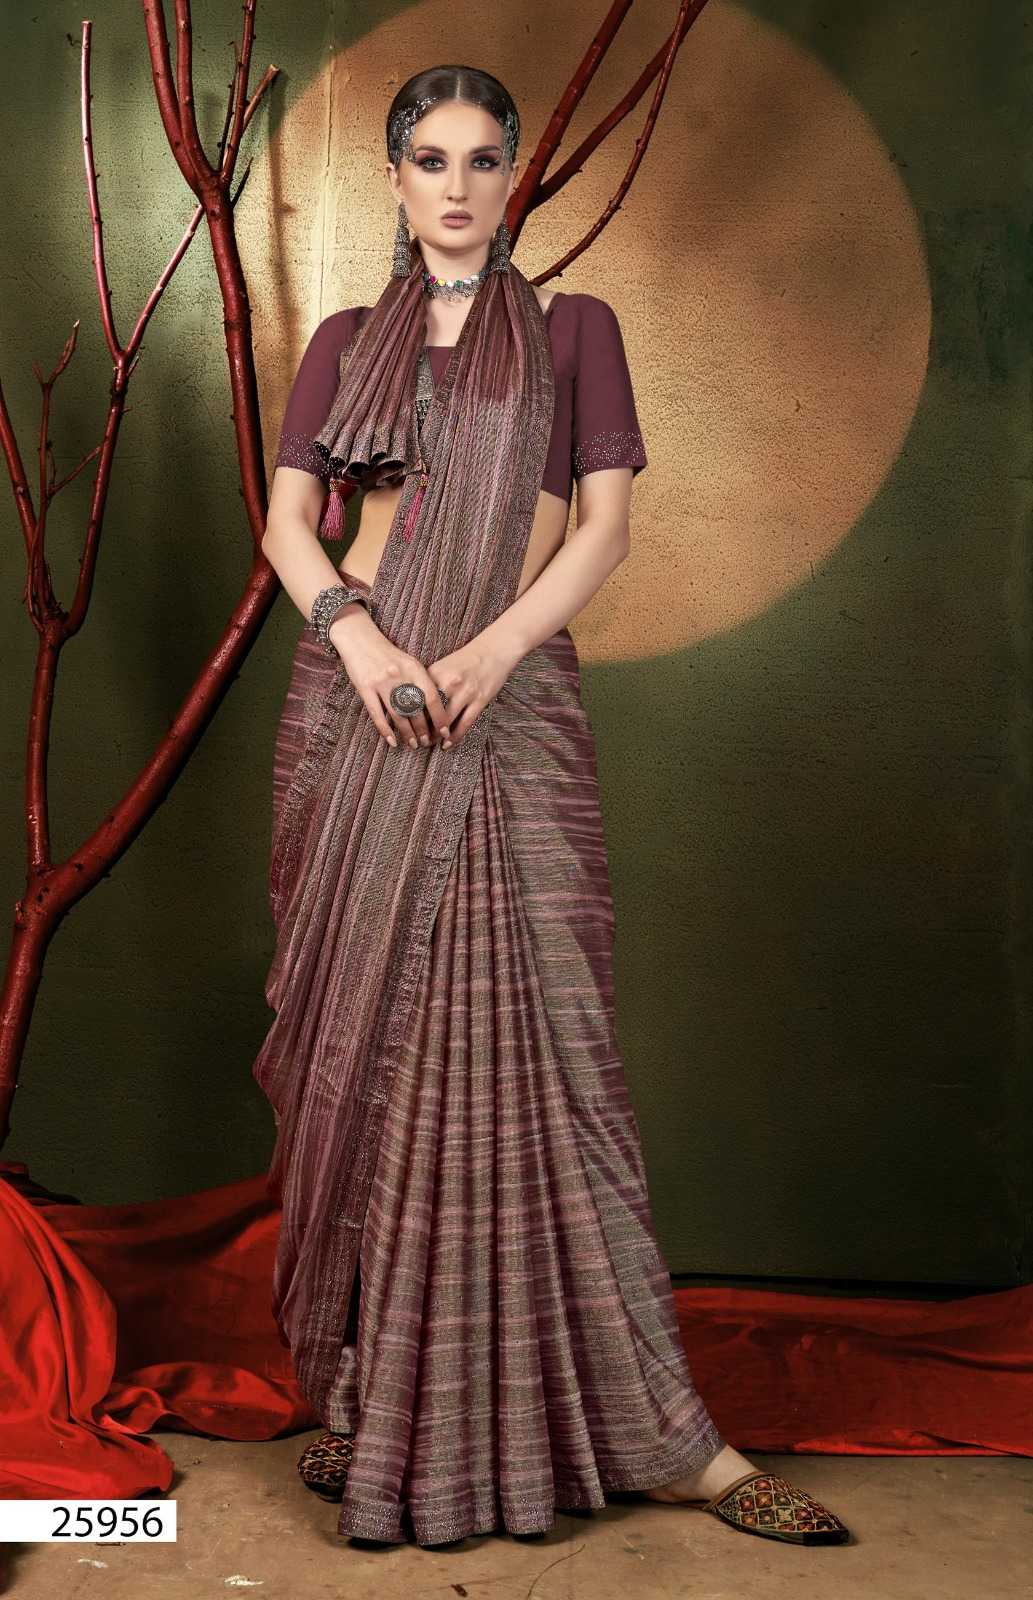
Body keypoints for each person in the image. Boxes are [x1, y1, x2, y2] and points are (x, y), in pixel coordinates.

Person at [255, 62, 850, 1551]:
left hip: (503, 702)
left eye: (482, 159)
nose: (456, 185)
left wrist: (489, 653)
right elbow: (288, 521)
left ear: (512, 176)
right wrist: (366, 643)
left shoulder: (576, 330)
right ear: (395, 178)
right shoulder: (343, 343)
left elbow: (603, 528)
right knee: (361, 1052)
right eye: (430, 159)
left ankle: (669, 1441)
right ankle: (377, 1394)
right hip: (357, 701)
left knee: (553, 1053)